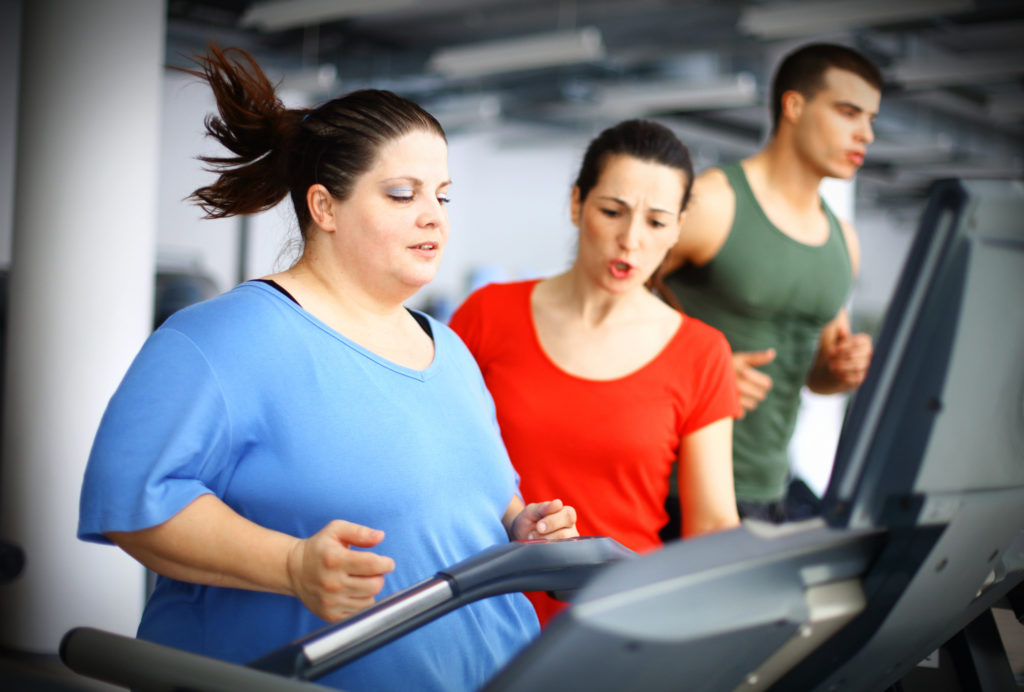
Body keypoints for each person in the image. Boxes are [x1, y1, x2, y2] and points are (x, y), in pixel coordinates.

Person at [77, 45, 577, 692]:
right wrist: (290, 565)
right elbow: (134, 503)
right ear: (325, 208)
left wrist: (519, 528)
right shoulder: (223, 338)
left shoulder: (447, 350)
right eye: (402, 194)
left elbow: (478, 495)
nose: (432, 216)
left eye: (442, 196)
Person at [450, 119, 742, 625]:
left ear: (678, 227)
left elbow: (713, 524)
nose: (631, 240)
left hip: (622, 626)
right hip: (484, 611)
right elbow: (445, 461)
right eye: (612, 212)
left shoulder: (702, 352)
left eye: (656, 222)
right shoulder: (487, 314)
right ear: (576, 204)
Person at [656, 43, 881, 523]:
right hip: (678, 488)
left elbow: (814, 375)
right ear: (794, 106)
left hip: (772, 485)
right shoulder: (714, 203)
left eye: (871, 118)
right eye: (848, 112)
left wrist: (839, 370)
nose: (866, 133)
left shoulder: (843, 241)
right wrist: (700, 373)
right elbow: (604, 306)